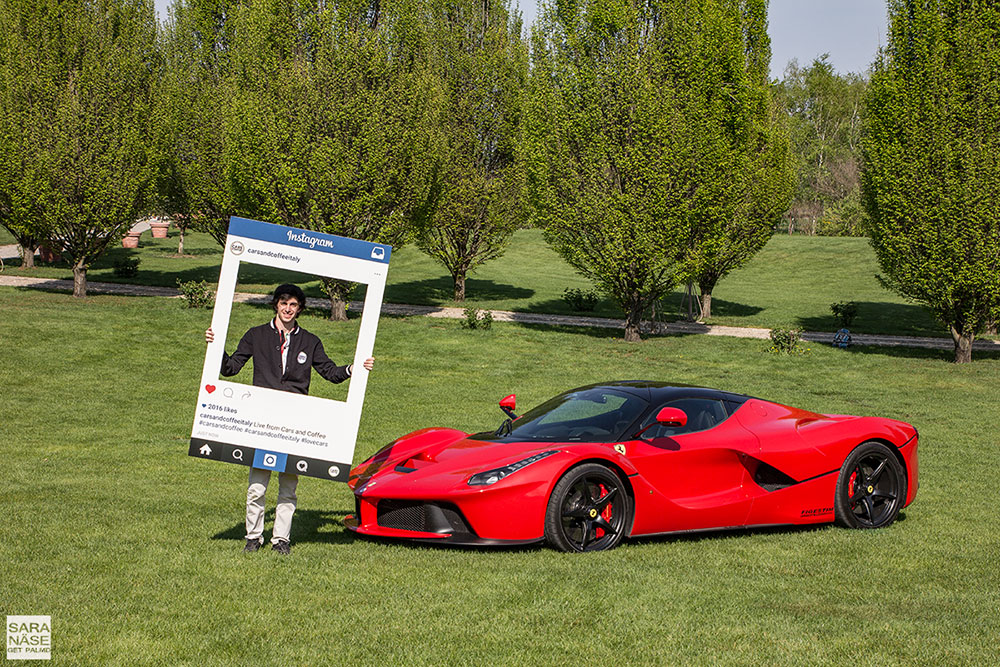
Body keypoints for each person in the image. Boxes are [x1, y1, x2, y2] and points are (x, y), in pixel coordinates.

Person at [205, 283, 373, 555]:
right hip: (261, 421)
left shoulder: (310, 341)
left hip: (295, 423)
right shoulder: (256, 335)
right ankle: (253, 536)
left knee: (288, 486)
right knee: (257, 487)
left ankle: (281, 539)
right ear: (275, 305)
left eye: (293, 304)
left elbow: (330, 373)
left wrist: (355, 368)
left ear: (300, 309)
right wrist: (215, 347)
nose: (287, 308)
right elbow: (230, 368)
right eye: (283, 303)